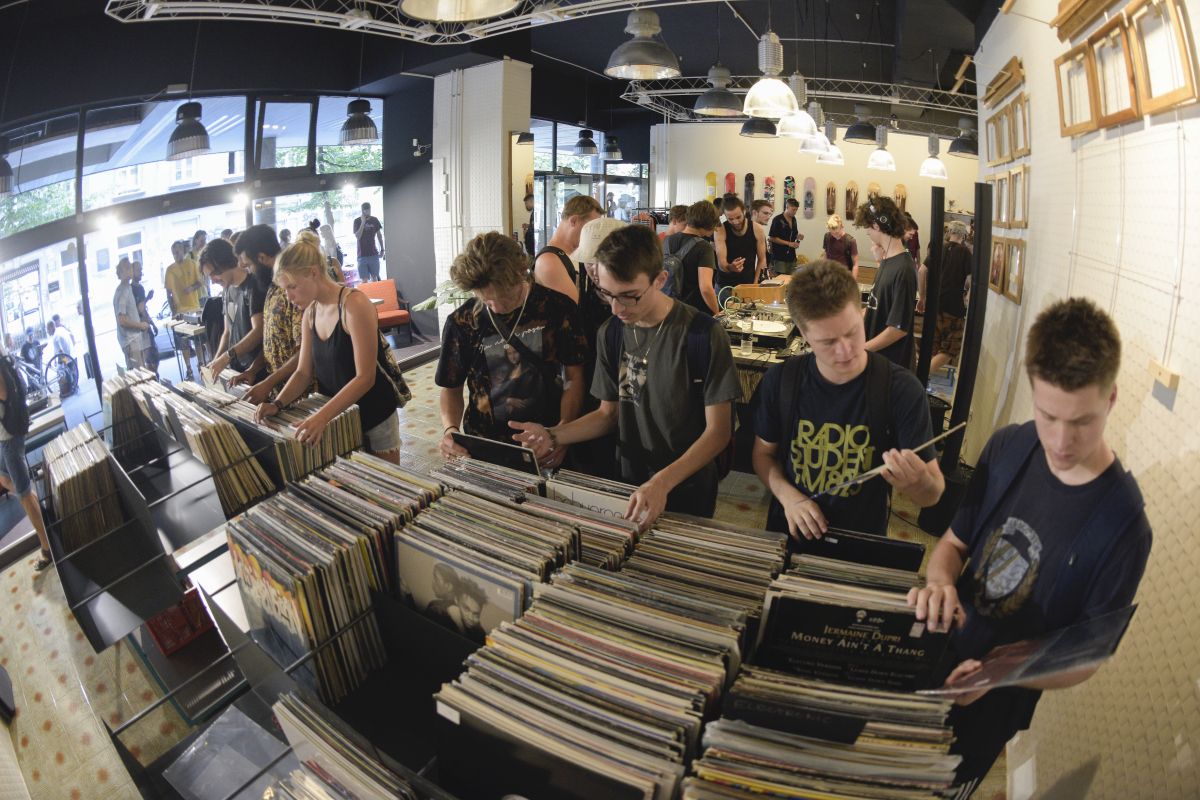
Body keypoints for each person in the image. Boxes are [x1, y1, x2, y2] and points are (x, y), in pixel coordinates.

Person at [908, 298, 1152, 797]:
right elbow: (953, 544)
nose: (1060, 441)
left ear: (1110, 400)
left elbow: (1085, 657)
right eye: (1048, 416)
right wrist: (940, 583)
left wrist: (999, 673)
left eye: (1081, 421)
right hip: (932, 654)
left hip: (994, 706)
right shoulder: (1009, 446)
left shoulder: (1124, 526)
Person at [512, 224, 739, 522]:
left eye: (630, 296)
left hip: (687, 484)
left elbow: (719, 432)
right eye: (608, 294)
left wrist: (662, 482)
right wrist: (552, 435)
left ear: (660, 280)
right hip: (628, 480)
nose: (617, 308)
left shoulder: (702, 335)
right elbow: (608, 415)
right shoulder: (611, 333)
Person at [752, 260, 944, 540]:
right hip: (791, 533)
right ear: (804, 334)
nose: (845, 351)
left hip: (861, 540)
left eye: (853, 332)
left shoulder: (901, 389)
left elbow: (933, 494)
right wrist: (788, 496)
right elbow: (763, 455)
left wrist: (918, 483)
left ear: (861, 313)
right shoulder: (782, 380)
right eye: (828, 342)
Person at [437, 232, 587, 469]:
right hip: (483, 445)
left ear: (521, 273)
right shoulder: (462, 321)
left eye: (505, 297)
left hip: (545, 438)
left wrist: (563, 433)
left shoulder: (557, 308)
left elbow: (574, 377)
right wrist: (450, 430)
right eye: (487, 301)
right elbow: (451, 388)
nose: (497, 307)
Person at [256, 237, 408, 461]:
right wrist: (277, 403)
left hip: (374, 413)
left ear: (313, 273)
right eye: (285, 289)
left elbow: (365, 378)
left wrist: (321, 417)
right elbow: (303, 372)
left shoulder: (354, 305)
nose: (289, 297)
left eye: (292, 287)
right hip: (339, 414)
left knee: (386, 480)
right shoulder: (310, 313)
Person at [229, 225, 301, 404]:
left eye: (249, 265)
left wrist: (269, 384)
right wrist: (253, 370)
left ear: (261, 258)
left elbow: (304, 353)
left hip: (300, 396)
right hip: (279, 394)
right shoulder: (271, 288)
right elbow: (272, 341)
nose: (249, 271)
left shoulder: (295, 288)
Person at [0, 354, 53, 572]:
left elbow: (4, 394)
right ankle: (38, 506)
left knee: (23, 493)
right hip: (4, 437)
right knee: (5, 479)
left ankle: (47, 547)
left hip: (10, 438)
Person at [855, 196, 918, 369]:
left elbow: (898, 329)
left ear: (877, 225)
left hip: (890, 367)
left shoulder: (904, 269)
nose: (868, 233)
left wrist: (859, 351)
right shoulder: (887, 261)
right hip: (876, 361)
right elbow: (877, 307)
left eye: (868, 228)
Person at [200, 239, 267, 385]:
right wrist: (215, 362)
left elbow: (259, 331)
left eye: (214, 274)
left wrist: (227, 356)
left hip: (256, 372)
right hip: (237, 370)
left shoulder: (253, 286)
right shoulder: (227, 290)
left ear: (225, 263)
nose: (213, 281)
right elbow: (227, 332)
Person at [921, 221, 973, 372]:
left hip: (934, 305)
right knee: (950, 349)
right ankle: (920, 375)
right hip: (953, 307)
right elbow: (971, 279)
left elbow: (922, 271)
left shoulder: (938, 249)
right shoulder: (965, 253)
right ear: (964, 235)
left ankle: (922, 378)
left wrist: (923, 296)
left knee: (933, 346)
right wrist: (968, 296)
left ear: (949, 232)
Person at [534, 194, 603, 304]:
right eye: (591, 227)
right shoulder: (549, 261)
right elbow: (573, 310)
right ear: (574, 221)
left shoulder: (581, 254)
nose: (594, 233)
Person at [663, 200, 720, 315]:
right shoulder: (704, 247)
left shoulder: (667, 241)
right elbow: (706, 288)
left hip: (669, 308)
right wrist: (717, 312)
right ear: (709, 224)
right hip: (694, 313)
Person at [165, 240, 206, 380]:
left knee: (198, 339)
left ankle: (201, 364)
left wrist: (191, 288)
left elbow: (200, 282)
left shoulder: (192, 264)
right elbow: (169, 293)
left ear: (183, 250)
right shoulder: (170, 270)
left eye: (178, 252)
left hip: (194, 307)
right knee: (184, 342)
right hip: (180, 311)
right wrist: (173, 311)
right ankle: (188, 368)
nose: (176, 255)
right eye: (174, 253)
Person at [714, 196, 767, 291]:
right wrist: (731, 267)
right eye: (730, 219)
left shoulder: (757, 229)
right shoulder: (720, 230)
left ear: (744, 212)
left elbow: (762, 259)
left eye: (738, 217)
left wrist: (755, 283)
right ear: (725, 216)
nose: (735, 222)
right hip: (725, 286)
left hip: (748, 284)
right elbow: (721, 263)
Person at [113, 259, 152, 369]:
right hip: (130, 341)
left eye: (130, 267)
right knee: (139, 375)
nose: (129, 270)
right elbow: (122, 320)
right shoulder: (122, 291)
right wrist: (141, 325)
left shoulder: (127, 288)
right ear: (120, 273)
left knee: (143, 373)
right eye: (125, 268)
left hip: (134, 340)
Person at [768, 198, 802, 275]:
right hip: (779, 257)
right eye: (793, 209)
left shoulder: (794, 219)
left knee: (792, 279)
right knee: (781, 279)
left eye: (796, 210)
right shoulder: (777, 219)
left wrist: (798, 237)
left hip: (791, 257)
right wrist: (788, 243)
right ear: (787, 207)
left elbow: (793, 235)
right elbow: (772, 238)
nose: (795, 212)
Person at [353, 202, 385, 282]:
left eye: (369, 210)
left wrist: (382, 249)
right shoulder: (357, 221)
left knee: (375, 279)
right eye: (366, 210)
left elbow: (379, 236)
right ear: (362, 210)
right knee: (364, 281)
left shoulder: (374, 220)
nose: (368, 212)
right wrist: (363, 223)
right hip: (362, 255)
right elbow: (358, 236)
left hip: (373, 254)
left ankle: (375, 291)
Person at [822, 214, 860, 279]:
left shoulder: (851, 241)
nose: (834, 235)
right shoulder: (827, 236)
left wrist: (853, 281)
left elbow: (855, 264)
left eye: (836, 233)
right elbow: (825, 254)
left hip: (844, 275)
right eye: (832, 233)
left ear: (842, 226)